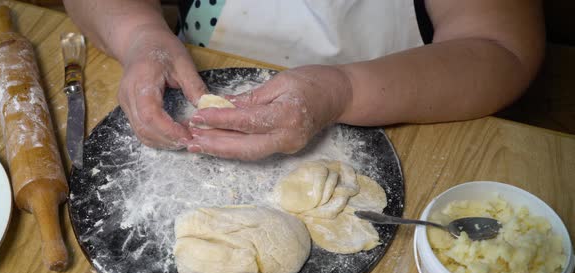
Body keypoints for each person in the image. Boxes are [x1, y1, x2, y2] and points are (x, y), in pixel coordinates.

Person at [64, 0, 544, 160]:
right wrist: (138, 35)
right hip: (191, 89)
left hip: (406, 114)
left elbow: (501, 50)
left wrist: (344, 90)